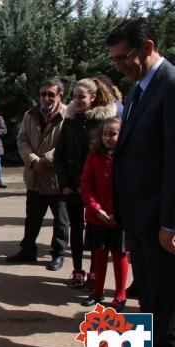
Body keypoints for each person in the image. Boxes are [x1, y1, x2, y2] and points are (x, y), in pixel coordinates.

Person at [107, 18, 175, 347]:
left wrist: (170, 223)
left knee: (165, 292)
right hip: (138, 214)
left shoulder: (170, 85)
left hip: (159, 219)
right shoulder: (139, 88)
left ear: (148, 48)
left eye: (123, 58)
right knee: (148, 289)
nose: (118, 66)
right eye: (114, 60)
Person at [54, 78, 117, 290]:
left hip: (95, 189)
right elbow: (60, 153)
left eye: (82, 97)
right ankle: (78, 269)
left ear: (93, 97)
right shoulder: (70, 120)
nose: (77, 100)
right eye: (75, 96)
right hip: (71, 186)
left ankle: (93, 273)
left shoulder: (104, 122)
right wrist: (63, 183)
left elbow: (108, 155)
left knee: (94, 232)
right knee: (76, 228)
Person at [7, 78, 69, 271]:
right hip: (34, 175)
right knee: (32, 217)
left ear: (60, 95)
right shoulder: (30, 114)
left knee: (60, 220)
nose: (46, 98)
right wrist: (33, 159)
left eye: (51, 94)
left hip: (56, 178)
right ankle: (27, 250)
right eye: (43, 94)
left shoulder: (68, 115)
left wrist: (47, 159)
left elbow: (68, 144)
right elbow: (22, 139)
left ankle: (58, 254)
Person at [79, 117, 128, 312]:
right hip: (97, 217)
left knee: (119, 255)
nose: (108, 138)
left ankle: (120, 295)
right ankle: (97, 291)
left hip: (119, 218)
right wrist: (96, 208)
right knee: (98, 255)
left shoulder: (127, 157)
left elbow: (132, 188)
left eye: (113, 134)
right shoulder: (94, 156)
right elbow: (86, 184)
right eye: (105, 134)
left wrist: (119, 213)